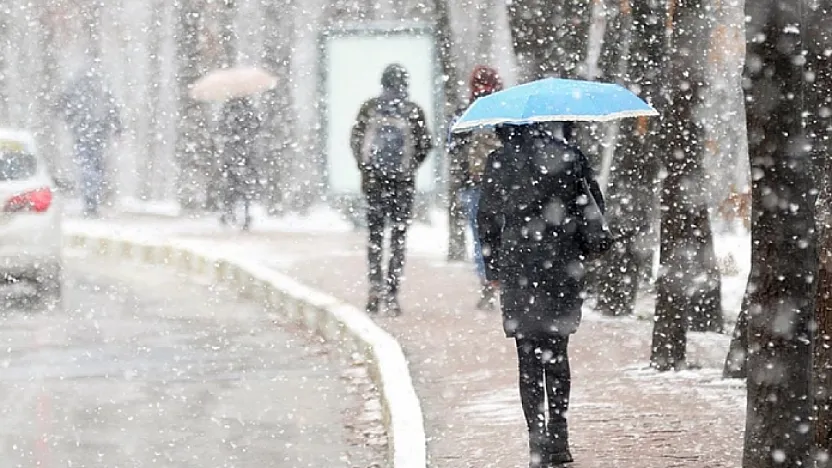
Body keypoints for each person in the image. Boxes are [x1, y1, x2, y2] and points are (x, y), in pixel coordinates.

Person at [477, 122, 604, 468]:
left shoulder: (499, 161)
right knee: (558, 352)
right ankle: (559, 438)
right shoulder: (569, 156)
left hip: (519, 267)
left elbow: (486, 218)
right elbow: (593, 207)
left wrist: (492, 269)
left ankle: (537, 440)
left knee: (528, 356)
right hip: (561, 265)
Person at [350, 64, 433, 316]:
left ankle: (374, 288)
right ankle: (392, 292)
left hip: (374, 184)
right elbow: (426, 144)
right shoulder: (412, 110)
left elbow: (355, 140)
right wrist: (409, 168)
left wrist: (367, 169)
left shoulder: (370, 108)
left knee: (375, 237)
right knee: (398, 237)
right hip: (402, 185)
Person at [448, 65, 504, 310]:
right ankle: (507, 282)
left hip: (474, 184)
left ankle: (487, 282)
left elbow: (452, 145)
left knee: (481, 238)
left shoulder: (465, 112)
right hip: (503, 185)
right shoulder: (505, 111)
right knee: (505, 235)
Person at [58, 66, 122, 218]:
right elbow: (112, 107)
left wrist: (70, 120)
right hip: (98, 133)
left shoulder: (77, 86)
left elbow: (62, 104)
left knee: (87, 167)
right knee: (96, 167)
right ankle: (92, 200)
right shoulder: (101, 87)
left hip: (82, 133)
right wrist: (118, 127)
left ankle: (90, 201)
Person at [218, 96, 261, 231]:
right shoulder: (248, 109)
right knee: (243, 187)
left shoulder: (229, 109)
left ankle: (230, 213)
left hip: (234, 153)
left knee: (231, 186)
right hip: (244, 153)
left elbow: (222, 128)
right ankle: (243, 215)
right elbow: (256, 127)